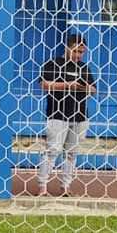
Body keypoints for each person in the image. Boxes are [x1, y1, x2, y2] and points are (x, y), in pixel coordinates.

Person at [36, 33, 96, 197]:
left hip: (79, 115)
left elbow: (93, 89)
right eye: (75, 51)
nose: (78, 55)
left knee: (71, 153)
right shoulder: (53, 64)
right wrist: (68, 85)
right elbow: (44, 84)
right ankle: (42, 187)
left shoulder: (83, 68)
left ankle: (65, 187)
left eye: (81, 52)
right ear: (67, 47)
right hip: (57, 114)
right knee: (52, 150)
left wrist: (82, 87)